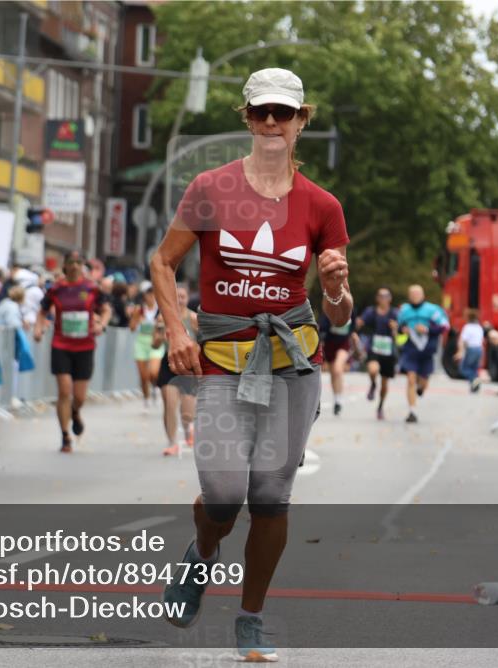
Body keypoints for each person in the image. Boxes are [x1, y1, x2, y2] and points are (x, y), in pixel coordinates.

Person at [150, 67, 351, 661]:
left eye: (282, 113)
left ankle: (251, 616)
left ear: (300, 121)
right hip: (221, 360)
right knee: (222, 494)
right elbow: (163, 262)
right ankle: (202, 553)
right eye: (260, 111)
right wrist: (176, 330)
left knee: (269, 496)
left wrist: (336, 286)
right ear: (246, 117)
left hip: (293, 360)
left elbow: (338, 315)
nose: (270, 122)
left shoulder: (322, 205)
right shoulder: (211, 187)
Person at [33, 251, 111, 453]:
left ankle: (75, 412)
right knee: (64, 390)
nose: (75, 266)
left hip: (85, 346)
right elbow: (42, 311)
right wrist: (38, 328)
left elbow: (106, 309)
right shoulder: (56, 288)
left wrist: (102, 324)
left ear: (82, 266)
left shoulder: (92, 287)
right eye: (71, 262)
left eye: (79, 262)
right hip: (61, 344)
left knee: (79, 396)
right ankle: (65, 436)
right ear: (65, 265)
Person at [154, 283, 198, 456]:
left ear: (188, 298)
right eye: (176, 296)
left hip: (188, 366)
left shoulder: (194, 318)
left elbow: (204, 343)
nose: (179, 300)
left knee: (187, 411)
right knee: (169, 404)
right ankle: (172, 442)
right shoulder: (163, 318)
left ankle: (188, 431)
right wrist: (159, 332)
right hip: (169, 363)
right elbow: (155, 343)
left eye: (182, 296)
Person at [397, 284, 449, 423]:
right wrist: (403, 331)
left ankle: (421, 389)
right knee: (410, 378)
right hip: (411, 350)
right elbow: (398, 328)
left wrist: (427, 330)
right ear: (409, 296)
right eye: (412, 294)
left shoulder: (432, 310)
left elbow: (445, 326)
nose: (415, 296)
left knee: (423, 383)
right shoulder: (404, 310)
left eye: (417, 294)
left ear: (423, 295)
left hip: (427, 351)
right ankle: (412, 412)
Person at [356, 287, 398, 420]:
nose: (383, 299)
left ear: (390, 299)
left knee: (385, 384)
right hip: (374, 348)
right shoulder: (371, 311)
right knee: (373, 370)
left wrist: (395, 329)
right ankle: (373, 384)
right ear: (377, 298)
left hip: (388, 351)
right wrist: (358, 323)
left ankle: (380, 407)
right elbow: (360, 322)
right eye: (381, 296)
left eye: (386, 296)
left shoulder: (395, 313)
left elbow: (401, 335)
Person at [130, 284, 165, 411]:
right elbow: (132, 328)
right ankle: (146, 398)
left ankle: (156, 386)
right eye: (148, 293)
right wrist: (137, 319)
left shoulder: (160, 310)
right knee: (143, 376)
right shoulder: (139, 310)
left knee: (154, 372)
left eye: (153, 293)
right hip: (141, 342)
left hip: (155, 342)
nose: (151, 296)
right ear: (144, 295)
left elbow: (163, 328)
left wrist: (159, 324)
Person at [319, 306, 356, 417]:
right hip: (329, 344)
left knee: (337, 369)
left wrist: (353, 336)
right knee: (333, 374)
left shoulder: (350, 309)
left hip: (343, 343)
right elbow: (322, 330)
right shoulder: (328, 309)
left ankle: (339, 400)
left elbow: (353, 327)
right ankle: (337, 399)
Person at [454, 308, 484, 393]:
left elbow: (462, 340)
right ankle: (474, 386)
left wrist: (460, 351)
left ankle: (474, 378)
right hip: (479, 349)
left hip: (471, 349)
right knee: (474, 368)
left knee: (463, 368)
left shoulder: (467, 327)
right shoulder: (479, 327)